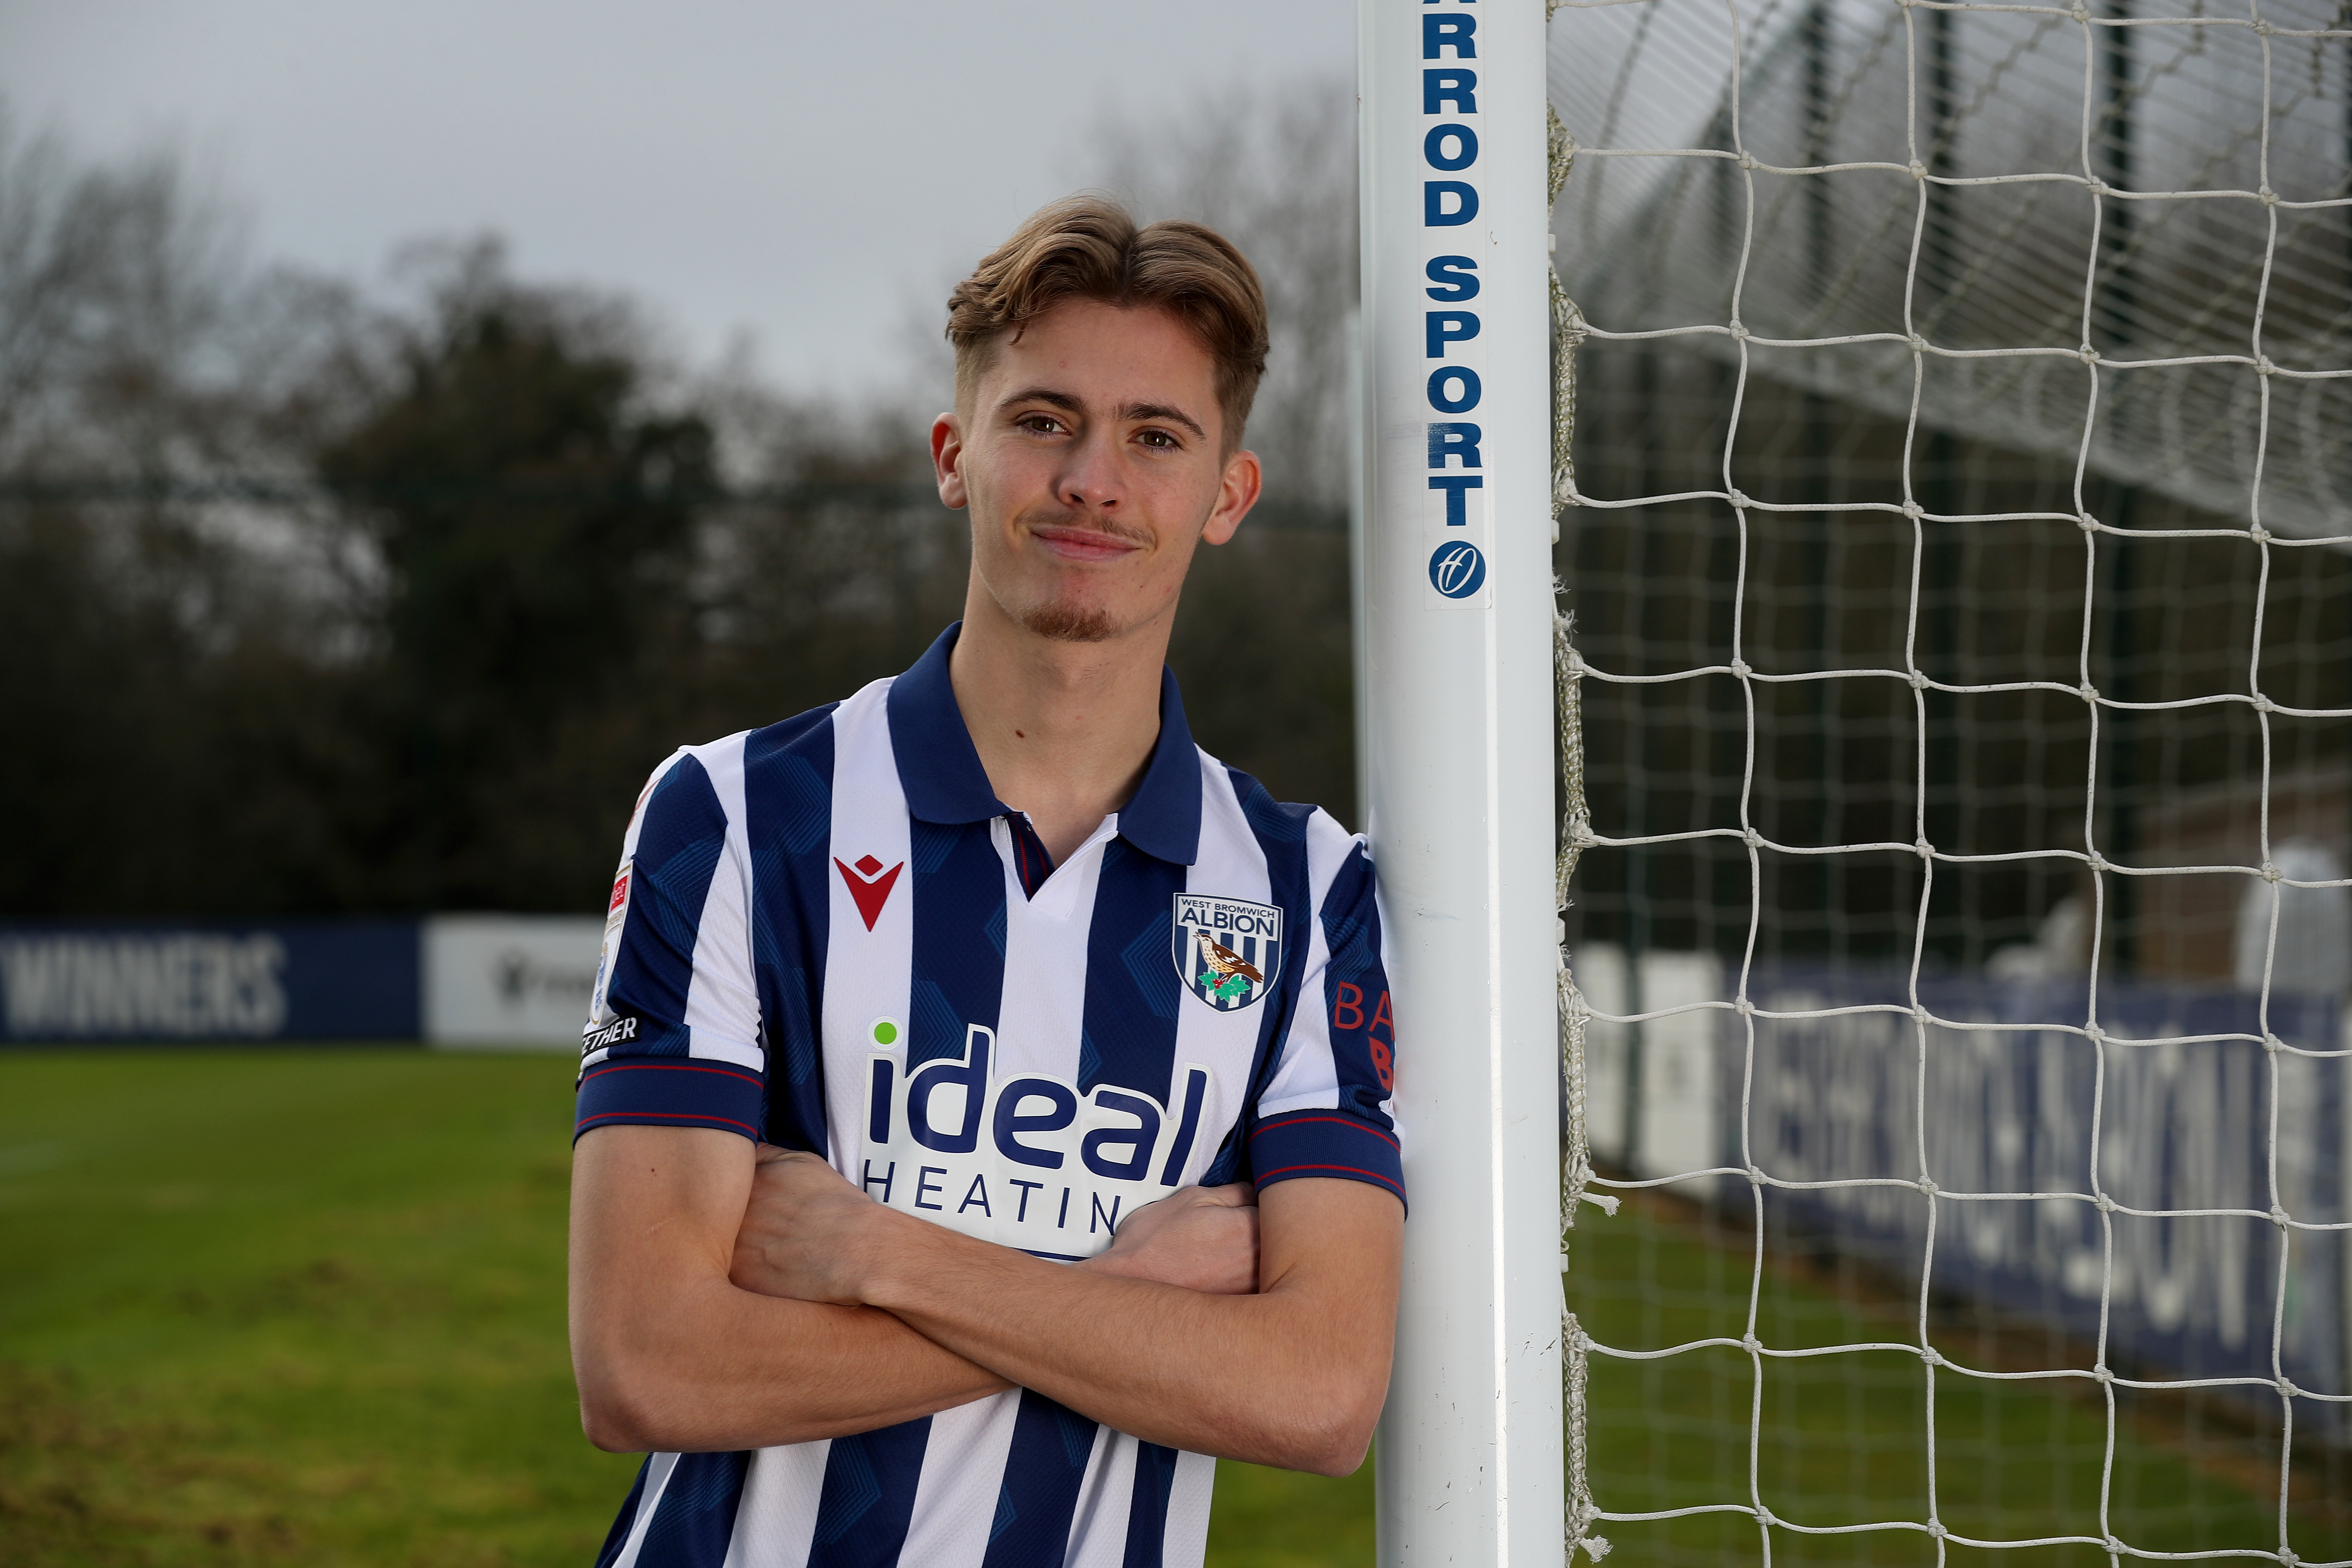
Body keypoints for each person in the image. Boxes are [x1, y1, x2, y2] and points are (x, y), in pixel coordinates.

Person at [567, 195, 1404, 1568]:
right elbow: (649, 1364)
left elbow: (1316, 1393)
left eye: (1156, 437)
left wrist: (884, 1257)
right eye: (1043, 420)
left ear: (1226, 497)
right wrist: (1129, 1296)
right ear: (958, 456)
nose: (1093, 477)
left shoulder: (1311, 891)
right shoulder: (735, 816)